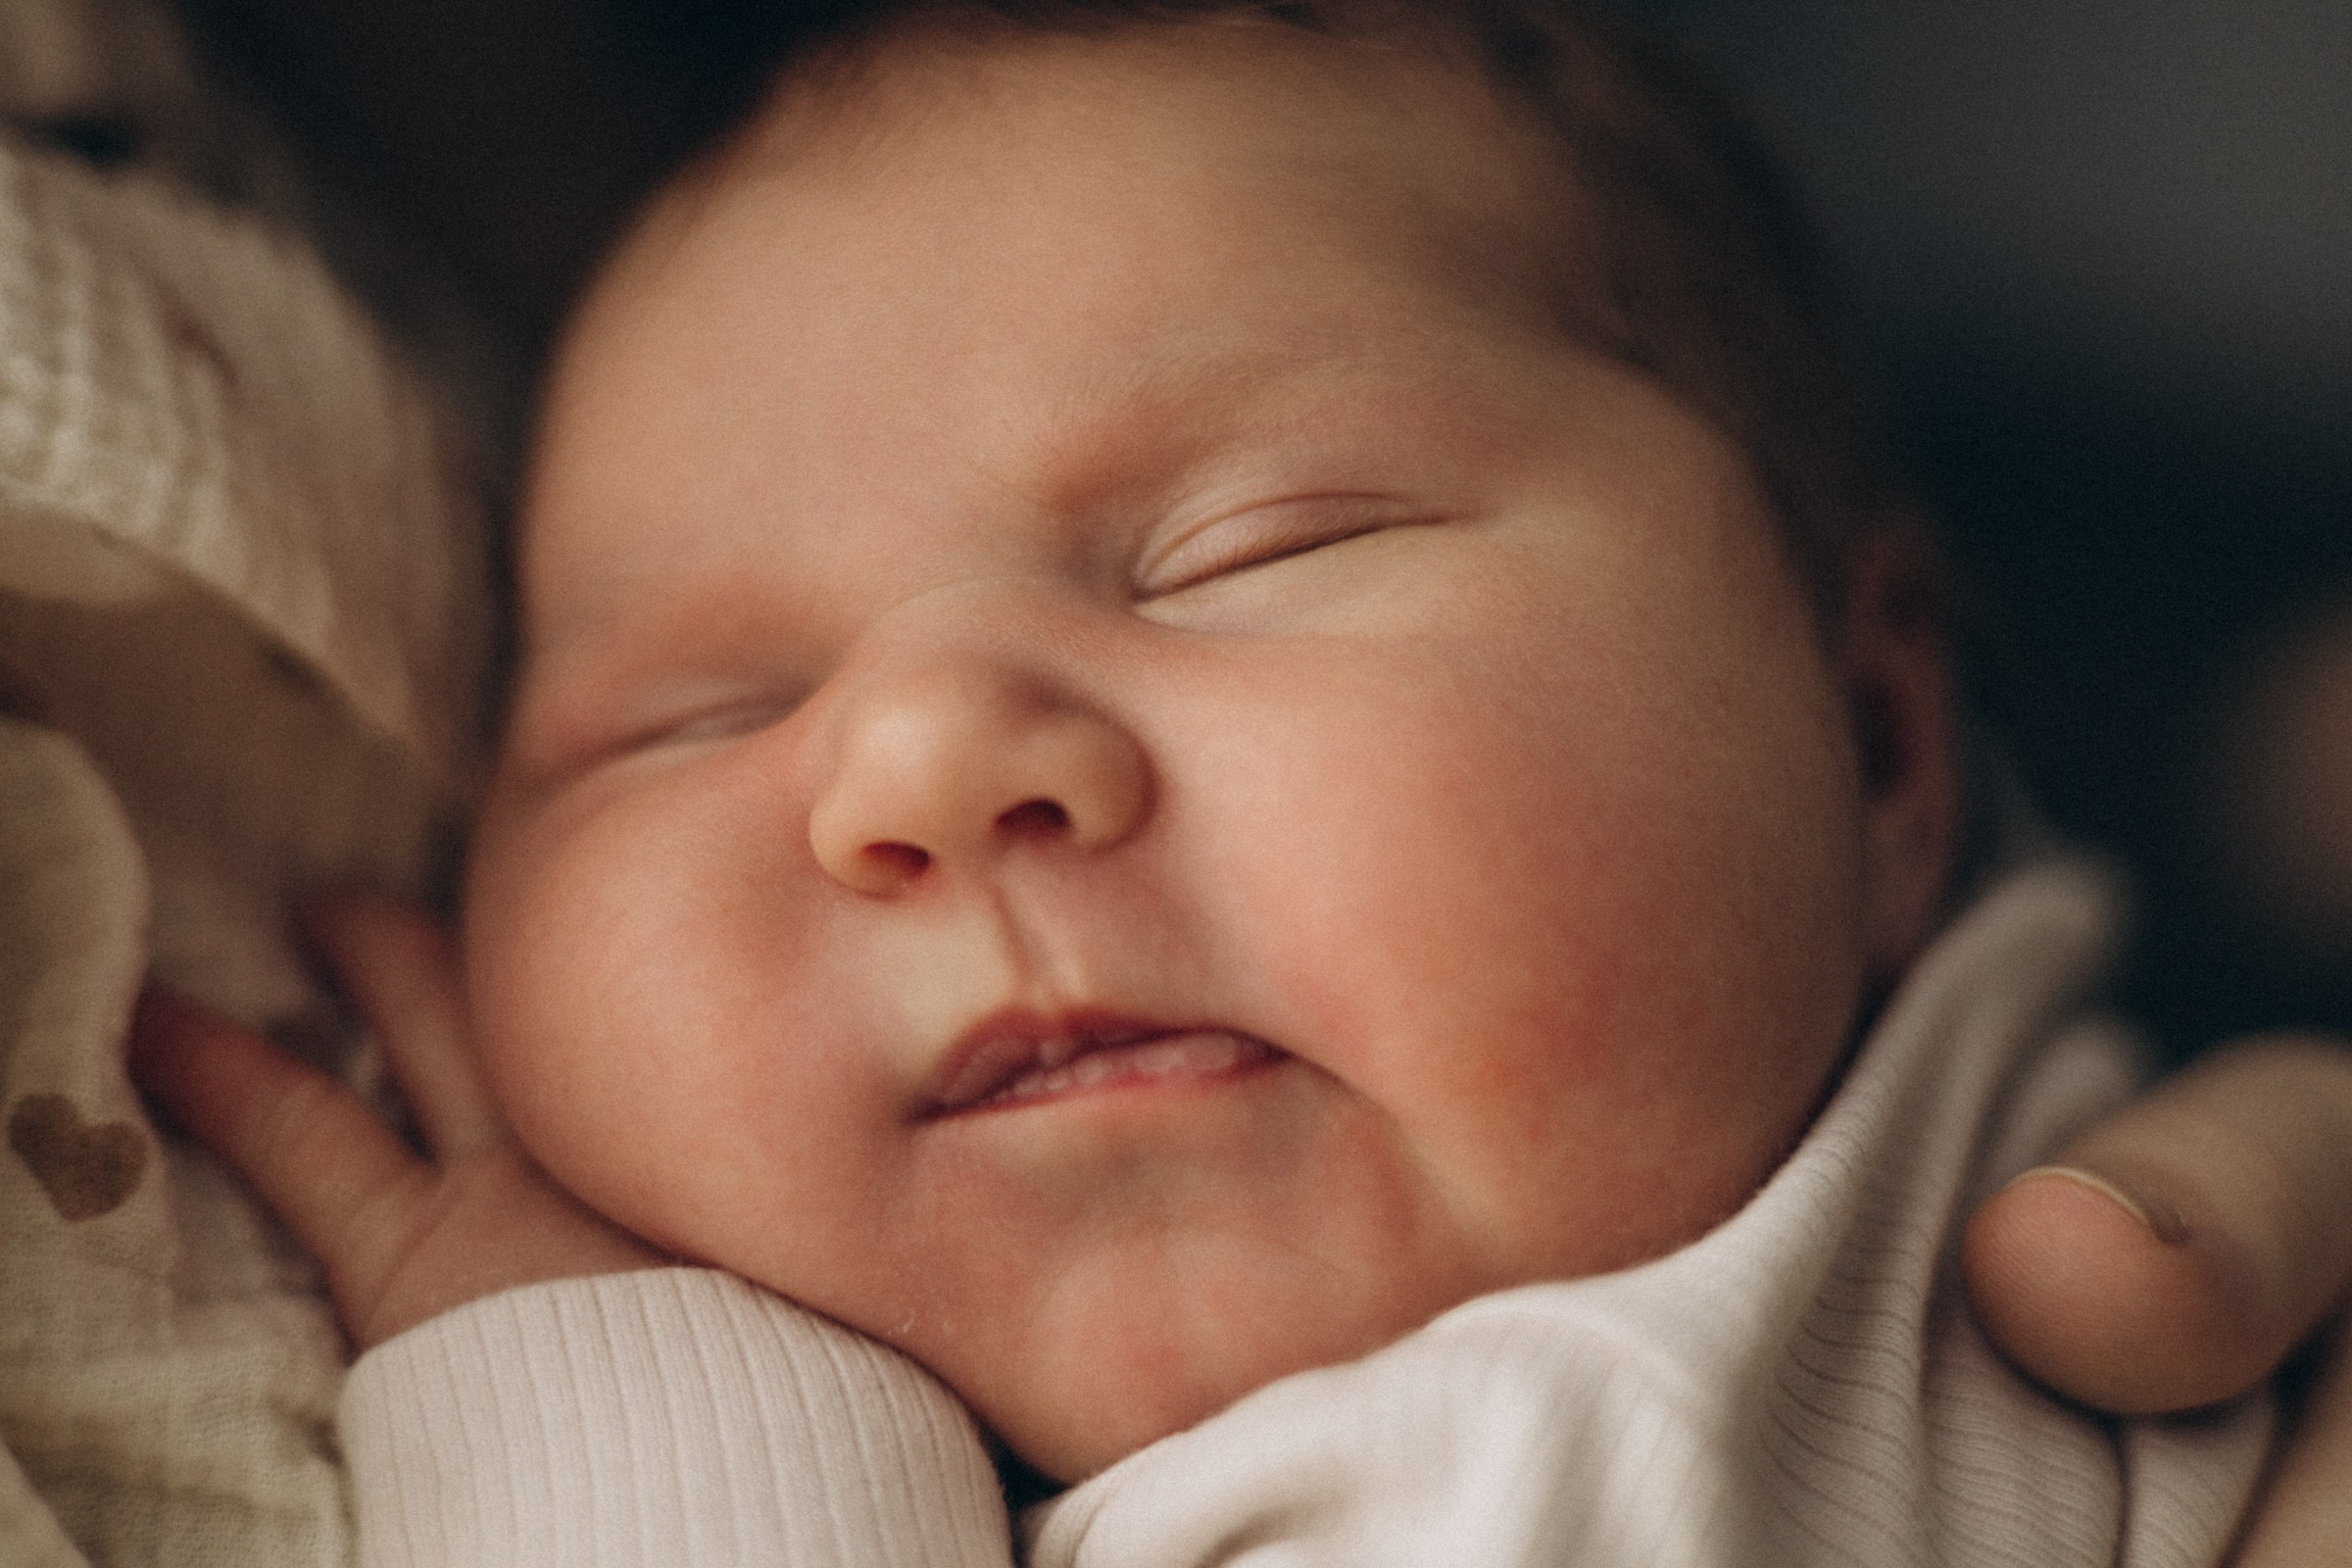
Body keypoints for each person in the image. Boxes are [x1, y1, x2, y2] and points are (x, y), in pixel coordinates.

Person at [129, 0, 2352, 1561]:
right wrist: (627, 1395)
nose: (917, 758)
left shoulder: (2136, 1197)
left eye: (1255, 550)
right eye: (690, 715)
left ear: (1880, 739)